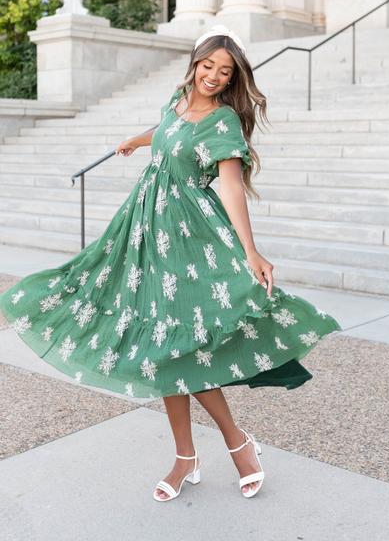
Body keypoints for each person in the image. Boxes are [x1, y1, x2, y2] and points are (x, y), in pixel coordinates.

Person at [0, 25, 342, 502]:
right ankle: (187, 455)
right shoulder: (177, 99)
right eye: (208, 66)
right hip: (144, 237)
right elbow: (166, 131)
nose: (214, 77)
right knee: (159, 345)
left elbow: (230, 186)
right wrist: (137, 141)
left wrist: (251, 250)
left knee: (185, 345)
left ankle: (236, 442)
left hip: (192, 239)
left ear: (232, 79)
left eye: (225, 72)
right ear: (195, 63)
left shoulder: (223, 122)